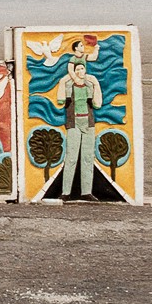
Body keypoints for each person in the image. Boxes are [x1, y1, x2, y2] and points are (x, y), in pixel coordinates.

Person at [51, 37, 102, 199]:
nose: (80, 72)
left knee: (87, 157)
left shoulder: (90, 84)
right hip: (74, 123)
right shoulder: (68, 84)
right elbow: (60, 101)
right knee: (71, 157)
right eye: (77, 69)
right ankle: (66, 192)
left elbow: (97, 104)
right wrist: (63, 82)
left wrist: (96, 85)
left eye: (83, 69)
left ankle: (86, 191)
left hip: (88, 122)